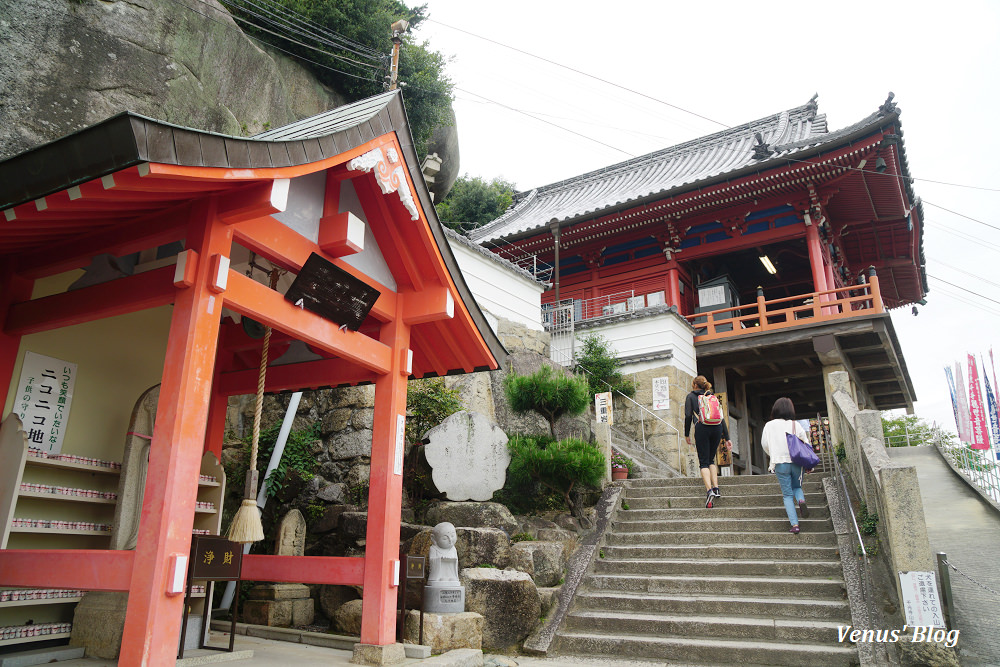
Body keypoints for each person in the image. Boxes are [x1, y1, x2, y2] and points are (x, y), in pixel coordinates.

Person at [761, 397, 810, 534]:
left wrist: (773, 454)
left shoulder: (769, 425)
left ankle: (795, 525)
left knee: (787, 495)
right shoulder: (795, 425)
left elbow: (764, 444)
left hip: (779, 462)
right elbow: (805, 443)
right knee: (797, 487)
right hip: (796, 462)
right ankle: (801, 500)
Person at [684, 376, 731, 508]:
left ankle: (709, 490)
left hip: (702, 427)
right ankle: (716, 488)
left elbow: (688, 416)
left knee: (703, 462)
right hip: (717, 428)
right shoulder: (712, 397)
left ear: (694, 384)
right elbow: (721, 417)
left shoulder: (691, 397)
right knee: (711, 460)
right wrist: (727, 438)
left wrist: (686, 434)